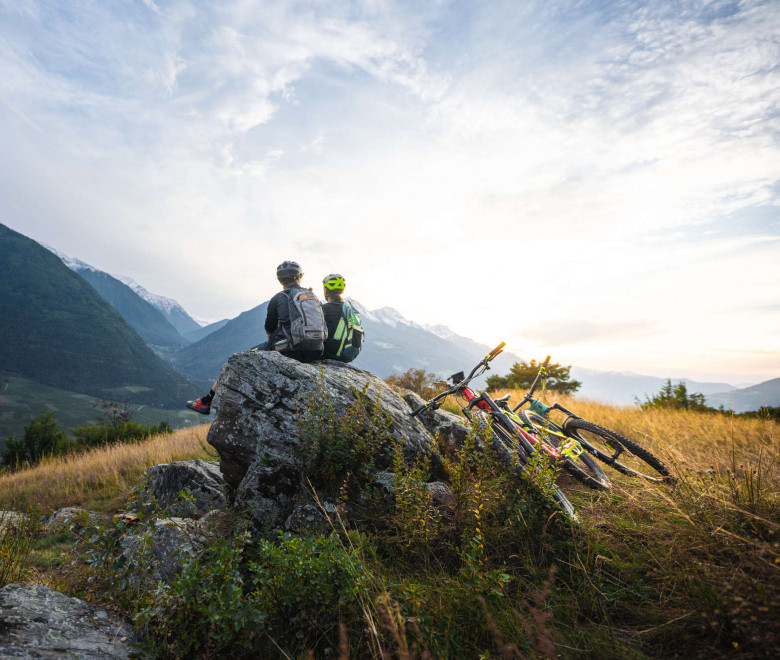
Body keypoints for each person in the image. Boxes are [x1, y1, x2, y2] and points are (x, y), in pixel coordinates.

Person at [186, 260, 325, 415]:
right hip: (316, 350)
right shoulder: (313, 297)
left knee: (237, 361)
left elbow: (269, 330)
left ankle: (206, 402)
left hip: (289, 350)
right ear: (300, 276)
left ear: (279, 279)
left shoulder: (278, 298)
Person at [321, 273, 363, 363]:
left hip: (327, 354)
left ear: (325, 290)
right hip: (345, 355)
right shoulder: (349, 309)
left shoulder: (322, 309)